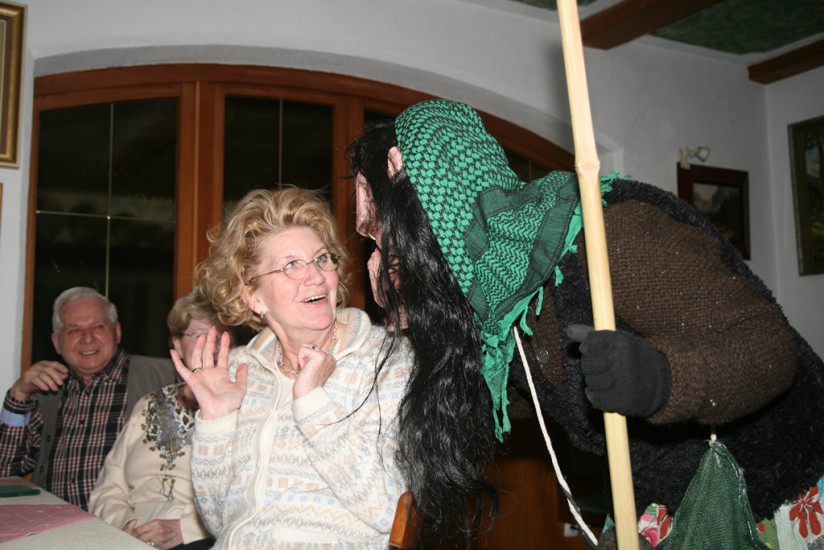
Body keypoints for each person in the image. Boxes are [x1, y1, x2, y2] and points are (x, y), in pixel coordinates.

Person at [347, 99, 824, 548]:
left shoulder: (608, 236)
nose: (378, 258)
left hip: (780, 491)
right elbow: (529, 396)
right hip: (661, 497)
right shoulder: (496, 300)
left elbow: (770, 346)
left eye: (382, 235)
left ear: (430, 213)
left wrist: (661, 377)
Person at [171, 186, 413, 549]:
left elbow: (389, 511)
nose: (316, 276)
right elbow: (222, 521)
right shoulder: (239, 371)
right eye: (291, 265)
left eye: (322, 259)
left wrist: (313, 404)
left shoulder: (389, 364)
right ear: (252, 295)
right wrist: (217, 420)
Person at [0, 286, 177, 510]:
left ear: (117, 332)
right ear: (57, 342)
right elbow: (5, 469)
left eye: (98, 327)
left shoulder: (165, 378)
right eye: (74, 330)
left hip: (130, 526)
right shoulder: (47, 391)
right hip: (54, 524)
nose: (87, 338)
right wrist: (19, 394)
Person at [89, 288, 229, 550]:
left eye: (221, 336)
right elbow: (107, 490)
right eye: (200, 335)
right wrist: (125, 526)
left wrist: (185, 530)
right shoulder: (148, 404)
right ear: (177, 344)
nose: (212, 345)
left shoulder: (244, 407)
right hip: (129, 537)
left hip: (200, 540)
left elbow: (251, 497)